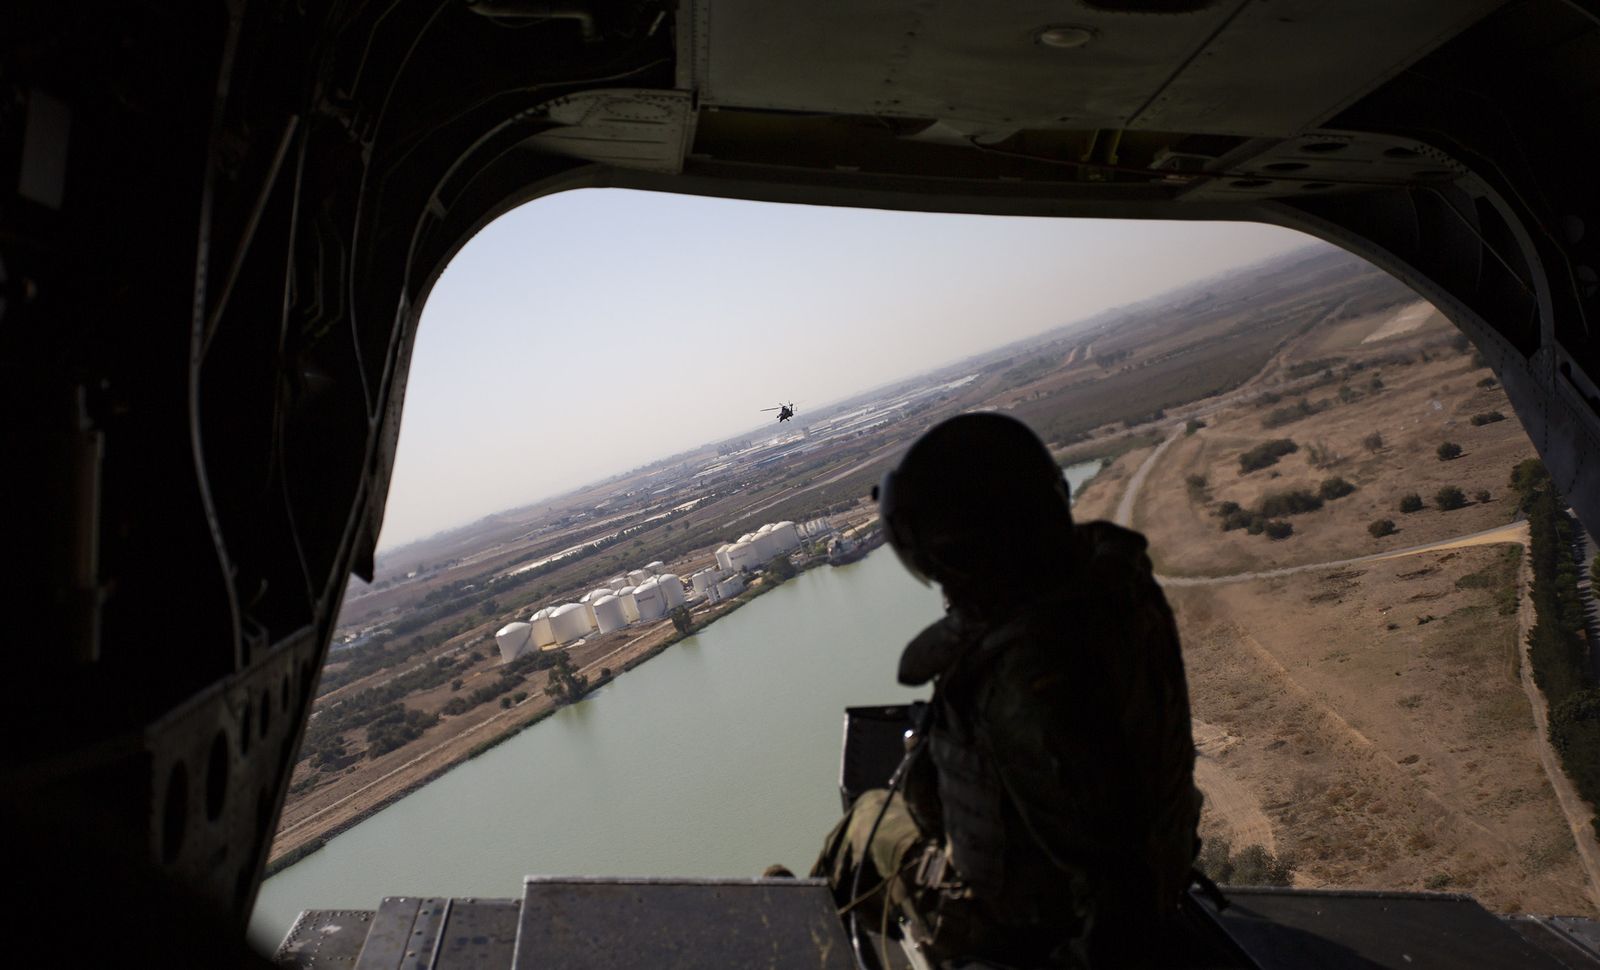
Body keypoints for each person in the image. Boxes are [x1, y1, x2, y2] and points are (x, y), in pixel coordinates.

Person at [813, 413, 1203, 969]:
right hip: (1161, 869)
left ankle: (792, 934)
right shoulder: (1109, 585)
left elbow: (1119, 891)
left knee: (869, 817)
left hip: (1018, 928)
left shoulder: (1030, 676)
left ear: (952, 553)